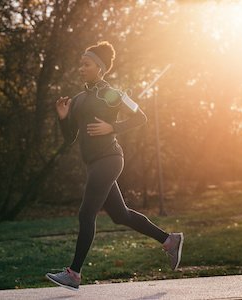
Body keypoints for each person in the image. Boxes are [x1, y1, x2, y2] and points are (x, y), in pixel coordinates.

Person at [45, 41, 184, 291]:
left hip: (109, 159)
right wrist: (63, 118)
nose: (81, 68)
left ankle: (73, 274)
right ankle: (169, 240)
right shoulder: (77, 100)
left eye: (86, 64)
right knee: (121, 216)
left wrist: (113, 127)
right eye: (81, 64)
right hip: (94, 164)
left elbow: (140, 117)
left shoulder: (113, 94)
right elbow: (70, 138)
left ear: (99, 67)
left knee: (85, 214)